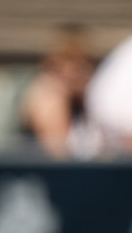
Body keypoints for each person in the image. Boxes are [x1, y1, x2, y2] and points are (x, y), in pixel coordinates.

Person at [20, 23, 97, 158]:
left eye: (84, 63)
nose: (79, 71)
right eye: (72, 63)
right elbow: (58, 153)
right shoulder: (45, 96)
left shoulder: (85, 96)